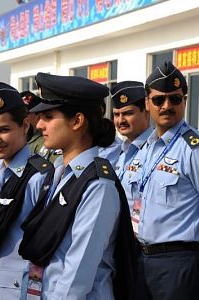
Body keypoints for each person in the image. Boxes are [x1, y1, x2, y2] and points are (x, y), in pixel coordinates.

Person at [19, 73, 137, 300]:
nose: (40, 124)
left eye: (49, 116)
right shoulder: (60, 174)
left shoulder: (97, 186)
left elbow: (76, 278)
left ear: (77, 121)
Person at [0, 82, 54, 299]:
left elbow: (46, 247)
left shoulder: (39, 177)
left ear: (25, 126)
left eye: (4, 130)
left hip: (25, 288)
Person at [134, 61, 199, 300]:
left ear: (185, 100)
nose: (167, 106)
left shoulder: (193, 149)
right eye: (159, 100)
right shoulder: (146, 148)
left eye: (175, 99)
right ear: (147, 103)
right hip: (141, 258)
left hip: (178, 263)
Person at [111, 81, 152, 210]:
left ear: (146, 112)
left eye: (128, 113)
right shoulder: (121, 151)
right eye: (116, 114)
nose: (121, 120)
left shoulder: (156, 150)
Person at [20, 90, 61, 162]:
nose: (21, 117)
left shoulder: (47, 142)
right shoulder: (18, 139)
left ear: (38, 116)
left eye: (25, 114)